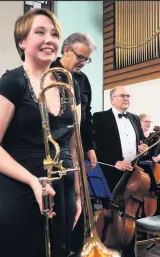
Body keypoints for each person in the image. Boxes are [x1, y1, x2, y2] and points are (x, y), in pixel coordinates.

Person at [0, 8, 82, 257]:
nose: (50, 39)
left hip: (57, 189)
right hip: (15, 191)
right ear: (22, 41)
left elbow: (73, 142)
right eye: (40, 32)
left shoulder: (68, 85)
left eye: (55, 34)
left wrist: (78, 193)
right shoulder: (11, 82)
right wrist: (33, 181)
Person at [93, 86, 148, 257]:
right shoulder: (100, 118)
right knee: (110, 216)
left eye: (128, 95)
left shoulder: (133, 118)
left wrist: (142, 147)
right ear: (112, 99)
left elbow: (140, 142)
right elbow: (94, 147)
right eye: (122, 95)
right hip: (111, 173)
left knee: (129, 214)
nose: (127, 98)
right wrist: (114, 162)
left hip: (132, 173)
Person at [50, 32, 97, 170]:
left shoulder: (83, 80)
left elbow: (86, 115)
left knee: (76, 189)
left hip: (76, 145)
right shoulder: (48, 70)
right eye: (80, 57)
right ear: (66, 50)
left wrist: (89, 147)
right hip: (52, 145)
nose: (83, 63)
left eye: (86, 59)